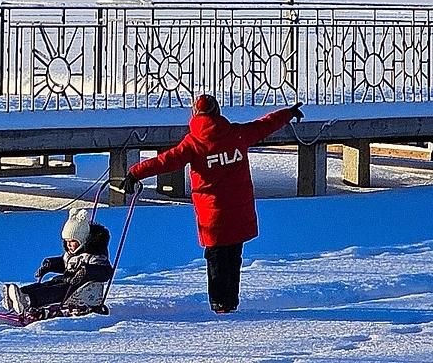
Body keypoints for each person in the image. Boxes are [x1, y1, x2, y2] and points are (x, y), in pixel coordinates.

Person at [118, 94, 303, 313]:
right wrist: (288, 113)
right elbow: (264, 125)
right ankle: (231, 303)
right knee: (234, 257)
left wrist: (134, 173)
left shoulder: (194, 144)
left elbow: (165, 161)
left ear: (194, 114)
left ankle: (219, 304)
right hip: (239, 211)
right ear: (217, 112)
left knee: (215, 259)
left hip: (212, 214)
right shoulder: (237, 134)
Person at [1, 207, 114, 317]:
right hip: (68, 281)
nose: (69, 244)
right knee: (46, 285)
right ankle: (19, 295)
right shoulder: (72, 254)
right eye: (66, 241)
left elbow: (105, 272)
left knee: (53, 291)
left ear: (83, 241)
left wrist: (86, 271)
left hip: (81, 289)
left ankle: (28, 300)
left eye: (73, 241)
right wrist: (49, 265)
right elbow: (64, 263)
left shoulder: (94, 256)